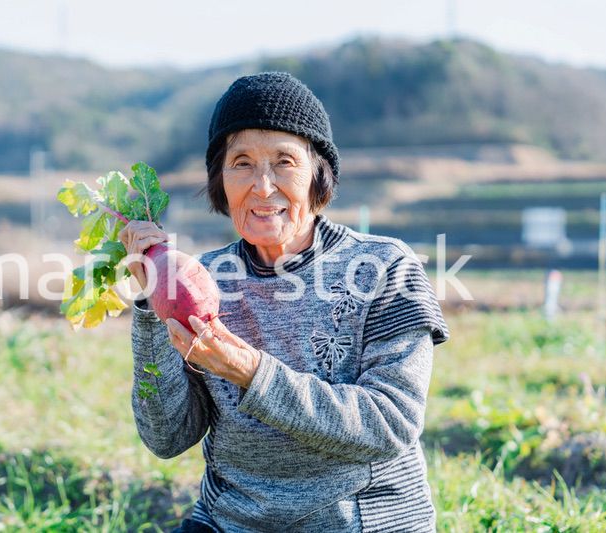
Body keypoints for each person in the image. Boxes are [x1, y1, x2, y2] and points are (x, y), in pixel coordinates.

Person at [119, 72, 449, 532]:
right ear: (220, 179)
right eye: (242, 162)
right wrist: (154, 305)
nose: (263, 185)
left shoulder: (385, 267)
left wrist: (251, 372)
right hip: (231, 522)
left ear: (318, 174)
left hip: (356, 523)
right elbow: (166, 437)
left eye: (284, 161)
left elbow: (389, 423)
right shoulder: (204, 278)